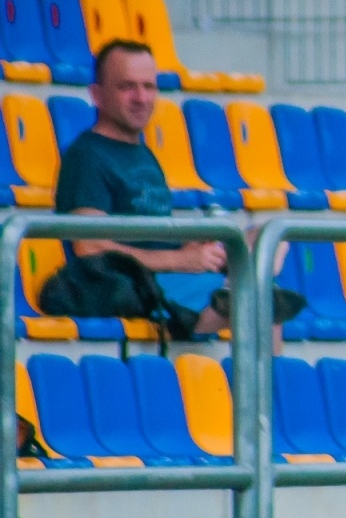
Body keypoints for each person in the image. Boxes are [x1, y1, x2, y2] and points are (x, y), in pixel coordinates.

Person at [48, 40, 300, 338]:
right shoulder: (88, 156)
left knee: (268, 237)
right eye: (127, 87)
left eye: (149, 86)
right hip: (136, 286)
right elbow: (89, 247)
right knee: (260, 298)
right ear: (97, 94)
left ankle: (243, 280)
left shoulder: (143, 154)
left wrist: (192, 244)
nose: (141, 98)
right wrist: (179, 260)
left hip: (173, 277)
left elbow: (149, 233)